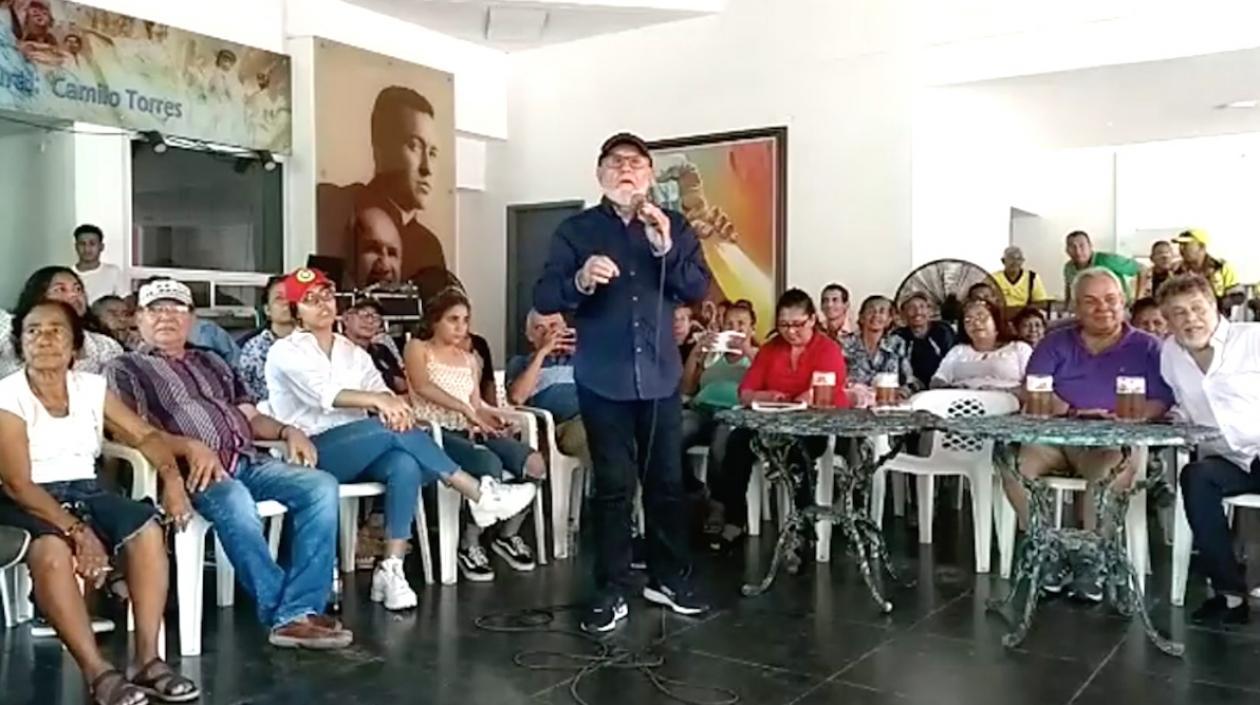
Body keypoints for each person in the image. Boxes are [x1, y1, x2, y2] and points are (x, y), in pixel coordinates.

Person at [265, 268, 536, 608]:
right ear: (296, 311)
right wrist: (382, 403)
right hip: (312, 451)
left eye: (327, 296)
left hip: (358, 448)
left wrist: (391, 404)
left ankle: (391, 568)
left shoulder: (351, 351)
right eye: (310, 300)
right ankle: (478, 492)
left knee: (404, 463)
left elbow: (380, 389)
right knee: (388, 427)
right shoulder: (286, 351)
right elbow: (325, 395)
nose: (323, 305)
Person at [106, 279, 353, 649]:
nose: (166, 317)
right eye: (155, 310)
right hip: (192, 473)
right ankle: (288, 615)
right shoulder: (127, 368)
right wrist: (190, 447)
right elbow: (135, 432)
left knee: (321, 486)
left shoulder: (212, 360)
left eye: (176, 309)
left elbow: (250, 416)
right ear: (138, 318)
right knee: (235, 499)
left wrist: (287, 431)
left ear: (191, 319)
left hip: (247, 459)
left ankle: (299, 608)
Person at [534, 132, 712, 633]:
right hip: (602, 378)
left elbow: (696, 287)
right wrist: (580, 280)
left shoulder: (674, 226)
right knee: (613, 487)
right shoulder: (576, 231)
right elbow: (544, 294)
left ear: (650, 175)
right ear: (600, 174)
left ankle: (667, 579)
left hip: (659, 376)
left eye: (636, 163)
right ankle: (609, 591)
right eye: (616, 163)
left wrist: (665, 248)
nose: (626, 170)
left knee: (666, 485)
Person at [0, 299, 199, 705]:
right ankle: (98, 673)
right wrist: (79, 532)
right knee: (52, 550)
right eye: (33, 331)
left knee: (146, 528)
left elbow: (145, 435)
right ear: (20, 344)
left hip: (86, 489)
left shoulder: (90, 388)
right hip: (29, 498)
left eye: (56, 330)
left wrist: (172, 479)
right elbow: (18, 483)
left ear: (75, 344)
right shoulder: (8, 396)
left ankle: (147, 661)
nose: (45, 339)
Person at [1002, 268, 1173, 600]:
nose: (1102, 308)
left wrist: (1128, 416)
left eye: (1110, 299)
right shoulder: (1055, 343)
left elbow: (1162, 400)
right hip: (1055, 437)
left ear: (1124, 302)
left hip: (1112, 441)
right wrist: (1070, 410)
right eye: (1090, 301)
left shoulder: (1148, 347)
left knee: (1112, 472)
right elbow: (1034, 388)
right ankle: (1045, 549)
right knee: (1013, 466)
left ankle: (1091, 558)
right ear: (1075, 307)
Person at [406, 289, 544, 580]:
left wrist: (497, 418)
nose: (461, 327)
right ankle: (469, 543)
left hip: (470, 428)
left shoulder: (469, 359)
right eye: (453, 319)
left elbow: (477, 404)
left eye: (465, 320)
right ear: (435, 321)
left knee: (534, 464)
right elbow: (422, 386)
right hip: (435, 432)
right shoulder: (418, 348)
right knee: (488, 464)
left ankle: (507, 535)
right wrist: (464, 409)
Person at [711, 290, 850, 549]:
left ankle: (803, 527)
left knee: (798, 452)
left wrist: (800, 400)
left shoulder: (828, 349)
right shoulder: (770, 349)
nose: (790, 331)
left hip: (811, 428)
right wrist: (766, 396)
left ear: (812, 320)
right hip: (769, 425)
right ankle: (735, 519)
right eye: (783, 325)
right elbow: (745, 392)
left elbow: (823, 392)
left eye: (797, 324)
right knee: (737, 443)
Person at [1158, 273, 1260, 625]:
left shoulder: (1252, 339)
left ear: (1215, 307)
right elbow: (1184, 405)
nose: (1191, 319)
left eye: (1198, 308)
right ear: (1168, 321)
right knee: (1196, 477)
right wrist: (1176, 420)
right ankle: (1230, 595)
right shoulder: (1170, 354)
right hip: (1230, 460)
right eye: (1179, 313)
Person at [317, 87, 446, 285]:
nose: (426, 168)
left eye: (433, 153)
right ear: (380, 148)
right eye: (414, 146)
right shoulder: (336, 207)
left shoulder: (429, 247)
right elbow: (319, 289)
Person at [680, 300, 757, 526]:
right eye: (729, 324)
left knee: (722, 441)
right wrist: (696, 352)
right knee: (672, 431)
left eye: (741, 324)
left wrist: (746, 350)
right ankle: (693, 488)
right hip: (702, 411)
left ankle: (718, 504)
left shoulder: (758, 356)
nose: (735, 328)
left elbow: (767, 380)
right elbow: (687, 389)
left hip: (735, 415)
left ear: (752, 328)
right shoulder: (712, 356)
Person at [0, 267, 124, 378]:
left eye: (78, 289)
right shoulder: (7, 327)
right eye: (60, 289)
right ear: (38, 296)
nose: (74, 295)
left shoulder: (104, 347)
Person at [505, 310, 587, 466]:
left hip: (600, 416)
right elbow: (517, 397)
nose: (548, 333)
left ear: (564, 328)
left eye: (553, 325)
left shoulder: (584, 356)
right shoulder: (521, 363)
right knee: (601, 438)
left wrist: (587, 350)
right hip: (566, 425)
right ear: (529, 335)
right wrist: (542, 352)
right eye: (539, 328)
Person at [931, 298, 1031, 390]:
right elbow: (938, 380)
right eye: (968, 320)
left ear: (996, 321)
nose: (976, 323)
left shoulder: (1019, 348)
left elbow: (1033, 383)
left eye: (981, 317)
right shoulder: (958, 351)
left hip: (1009, 400)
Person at [238, 275, 294, 401]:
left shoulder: (314, 341)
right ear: (267, 310)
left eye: (292, 296)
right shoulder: (254, 350)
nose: (287, 302)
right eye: (279, 298)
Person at [841, 295, 913, 389]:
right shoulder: (846, 343)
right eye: (871, 311)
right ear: (861, 317)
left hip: (888, 395)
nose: (876, 315)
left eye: (882, 311)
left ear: (889, 319)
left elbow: (908, 380)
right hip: (854, 396)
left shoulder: (897, 343)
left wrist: (902, 392)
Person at [342, 298, 407, 394]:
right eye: (363, 315)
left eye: (376, 317)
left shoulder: (382, 351)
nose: (370, 321)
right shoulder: (335, 348)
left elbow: (402, 385)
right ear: (346, 319)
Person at [892, 292, 956, 389]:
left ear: (929, 311)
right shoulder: (898, 336)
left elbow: (953, 360)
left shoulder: (943, 330)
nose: (918, 312)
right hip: (912, 388)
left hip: (945, 385)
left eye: (922, 307)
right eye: (911, 308)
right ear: (903, 314)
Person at [1062, 231, 1143, 304]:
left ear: (1090, 246)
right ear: (1067, 250)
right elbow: (1069, 288)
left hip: (1117, 308)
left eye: (1082, 246)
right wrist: (1066, 307)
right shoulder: (1068, 267)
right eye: (1072, 247)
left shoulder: (1107, 259)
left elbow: (1142, 270)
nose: (1078, 251)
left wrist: (1138, 301)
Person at [1171, 229, 1241, 305]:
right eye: (1180, 245)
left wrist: (1218, 304)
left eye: (1186, 244)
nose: (1181, 248)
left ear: (1202, 247)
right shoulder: (1176, 270)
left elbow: (1238, 296)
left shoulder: (1221, 267)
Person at [71, 224, 124, 305]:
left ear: (101, 247)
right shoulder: (68, 275)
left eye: (92, 244)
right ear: (76, 247)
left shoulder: (113, 272)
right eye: (82, 244)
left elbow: (125, 300)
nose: (87, 249)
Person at [992, 246, 1049, 311]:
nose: (1015, 262)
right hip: (1000, 312)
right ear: (1003, 261)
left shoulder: (1032, 277)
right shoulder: (993, 278)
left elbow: (1042, 303)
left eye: (1018, 259)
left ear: (1022, 261)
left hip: (1025, 313)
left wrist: (1022, 309)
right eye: (1011, 258)